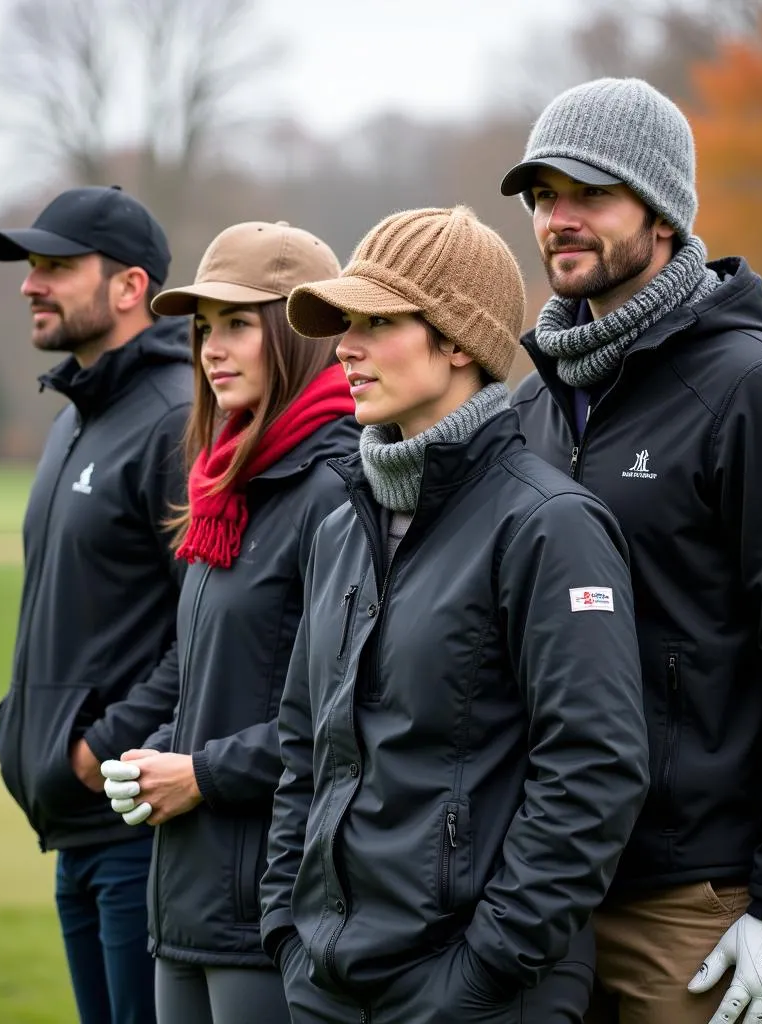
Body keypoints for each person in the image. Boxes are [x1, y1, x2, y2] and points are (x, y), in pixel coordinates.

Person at [500, 77, 762, 1024]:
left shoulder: (760, 392)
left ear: (662, 210)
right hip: (547, 888)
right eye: (544, 196)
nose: (558, 218)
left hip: (695, 905)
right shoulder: (533, 406)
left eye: (588, 193)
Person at [259, 205, 650, 1024]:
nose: (346, 350)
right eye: (343, 324)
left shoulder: (550, 526)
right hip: (329, 985)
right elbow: (307, 747)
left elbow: (594, 770)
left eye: (376, 322)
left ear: (460, 341)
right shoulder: (341, 526)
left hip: (480, 992)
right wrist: (289, 934)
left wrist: (483, 970)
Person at [95, 220, 359, 1024]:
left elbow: (342, 718)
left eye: (238, 323)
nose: (211, 347)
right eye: (203, 327)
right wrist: (162, 752)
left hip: (268, 910)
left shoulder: (336, 485)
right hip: (186, 895)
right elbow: (227, 679)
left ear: (298, 334)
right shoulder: (223, 483)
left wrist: (200, 773)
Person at [0, 185, 192, 1024]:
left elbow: (208, 625)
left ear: (129, 286)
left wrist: (101, 744)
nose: (33, 283)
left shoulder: (176, 418)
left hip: (133, 834)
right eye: (32, 265)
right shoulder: (77, 417)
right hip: (76, 834)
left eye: (57, 266)